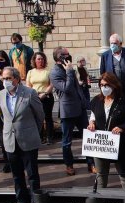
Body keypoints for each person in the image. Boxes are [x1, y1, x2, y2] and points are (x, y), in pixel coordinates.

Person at [87, 72, 125, 203]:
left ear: (114, 85)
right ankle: (100, 201)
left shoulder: (123, 102)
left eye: (107, 85)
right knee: (101, 175)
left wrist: (122, 127)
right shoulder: (96, 101)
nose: (104, 88)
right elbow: (93, 117)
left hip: (119, 144)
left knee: (124, 174)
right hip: (101, 144)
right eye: (102, 85)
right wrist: (91, 123)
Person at [0, 67, 45, 203]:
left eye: (9, 78)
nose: (6, 81)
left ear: (16, 79)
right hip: (10, 140)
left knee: (32, 174)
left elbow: (40, 116)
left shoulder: (29, 93)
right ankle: (21, 201)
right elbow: (4, 118)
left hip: (28, 139)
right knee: (16, 175)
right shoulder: (0, 95)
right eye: (4, 78)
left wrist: (33, 132)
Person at [50, 46, 95, 175]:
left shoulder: (69, 68)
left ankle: (90, 163)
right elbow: (67, 89)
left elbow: (77, 88)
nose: (69, 56)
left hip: (80, 109)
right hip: (68, 111)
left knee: (87, 137)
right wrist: (69, 72)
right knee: (67, 141)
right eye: (66, 54)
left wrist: (85, 103)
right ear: (60, 57)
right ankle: (69, 165)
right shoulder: (54, 72)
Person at [100, 34, 125, 106]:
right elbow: (102, 72)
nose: (113, 45)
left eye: (115, 43)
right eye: (111, 43)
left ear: (120, 44)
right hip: (112, 88)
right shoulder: (105, 55)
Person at [26, 52, 54, 145]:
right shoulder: (30, 72)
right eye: (38, 59)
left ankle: (50, 137)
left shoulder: (48, 71)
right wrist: (34, 95)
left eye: (42, 59)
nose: (40, 61)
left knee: (48, 117)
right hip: (34, 97)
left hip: (46, 97)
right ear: (34, 60)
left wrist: (45, 93)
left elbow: (51, 84)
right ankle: (40, 137)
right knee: (38, 118)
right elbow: (28, 85)